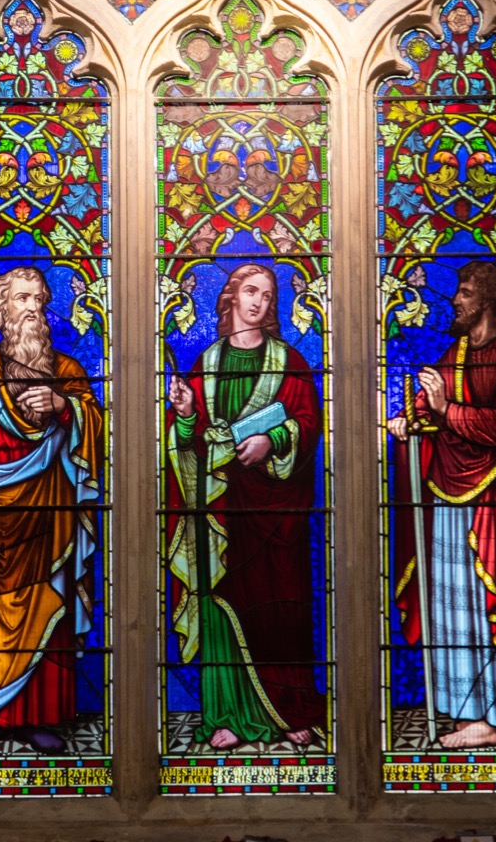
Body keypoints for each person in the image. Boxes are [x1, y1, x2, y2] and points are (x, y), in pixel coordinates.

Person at [388, 261, 496, 749]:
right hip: (450, 499)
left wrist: (443, 411)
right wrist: (407, 422)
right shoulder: (453, 354)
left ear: (486, 299)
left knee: (492, 603)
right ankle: (466, 711)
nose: (454, 301)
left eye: (462, 292)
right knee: (451, 605)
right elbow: (425, 404)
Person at [167, 263, 325, 750]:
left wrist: (271, 440)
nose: (259, 302)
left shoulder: (289, 362)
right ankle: (227, 714)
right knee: (221, 605)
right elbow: (188, 448)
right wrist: (187, 415)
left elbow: (308, 423)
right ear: (231, 298)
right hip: (219, 510)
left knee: (282, 609)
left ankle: (288, 708)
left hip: (275, 514)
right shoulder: (206, 365)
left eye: (268, 294)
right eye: (250, 291)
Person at [0, 267, 103, 753]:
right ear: (0, 310)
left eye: (38, 298)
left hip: (52, 513)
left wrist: (64, 406)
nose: (32, 307)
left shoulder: (70, 372)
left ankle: (45, 717)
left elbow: (96, 430)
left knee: (50, 607)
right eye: (20, 299)